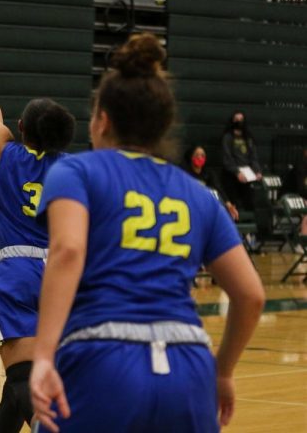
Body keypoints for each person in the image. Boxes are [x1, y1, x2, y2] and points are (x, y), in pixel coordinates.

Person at [29, 34, 265, 433]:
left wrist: (44, 357)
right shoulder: (199, 195)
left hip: (103, 355)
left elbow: (67, 250)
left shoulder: (76, 171)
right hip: (189, 364)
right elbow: (251, 295)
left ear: (102, 119)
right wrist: (221, 373)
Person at [0, 7, 76, 433]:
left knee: (21, 379)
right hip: (57, 274)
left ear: (20, 129)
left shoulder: (7, 154)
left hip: (16, 271)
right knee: (21, 378)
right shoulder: (73, 170)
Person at [183, 145, 239, 221]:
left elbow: (218, 189)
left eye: (202, 155)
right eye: (197, 155)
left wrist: (229, 206)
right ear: (191, 157)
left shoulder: (209, 173)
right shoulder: (185, 174)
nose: (200, 158)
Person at [221, 110, 263, 210]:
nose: (239, 122)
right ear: (232, 121)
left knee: (250, 203)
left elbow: (254, 157)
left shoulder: (248, 138)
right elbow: (227, 158)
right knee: (233, 203)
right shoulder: (227, 137)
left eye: (241, 119)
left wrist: (257, 171)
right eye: (236, 119)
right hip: (232, 175)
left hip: (247, 174)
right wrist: (237, 172)